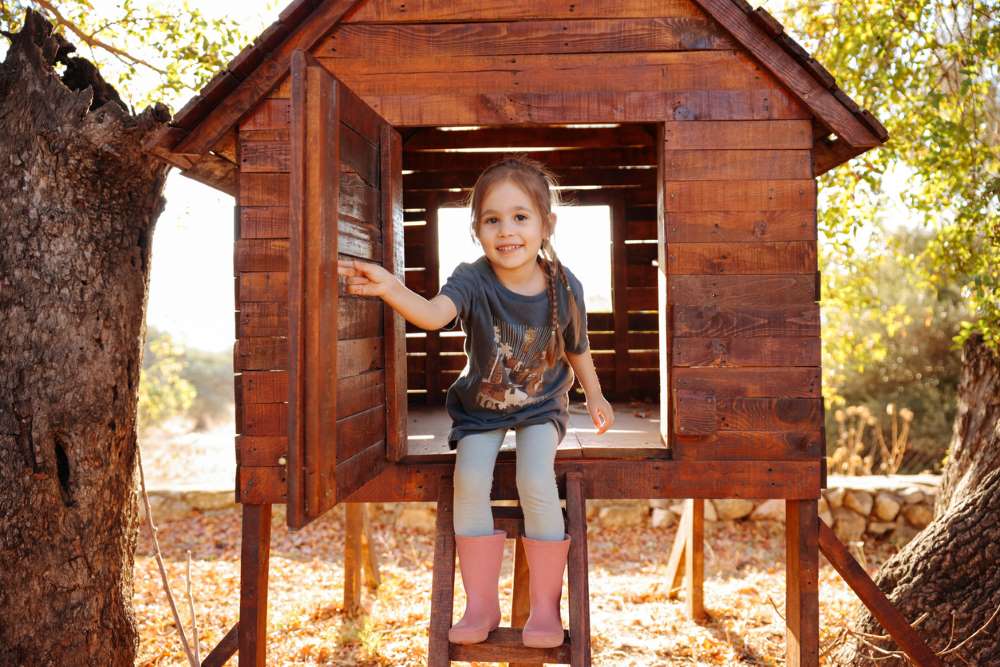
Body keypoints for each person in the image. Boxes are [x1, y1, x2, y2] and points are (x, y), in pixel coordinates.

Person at [337, 155, 615, 649]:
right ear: (476, 229)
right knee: (468, 481)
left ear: (546, 224)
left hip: (541, 406)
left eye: (520, 217)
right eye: (492, 220)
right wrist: (389, 287)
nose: (507, 231)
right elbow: (431, 315)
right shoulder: (472, 278)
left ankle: (546, 612)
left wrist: (594, 394)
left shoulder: (563, 284)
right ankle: (481, 604)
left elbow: (577, 348)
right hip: (481, 408)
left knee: (534, 479)